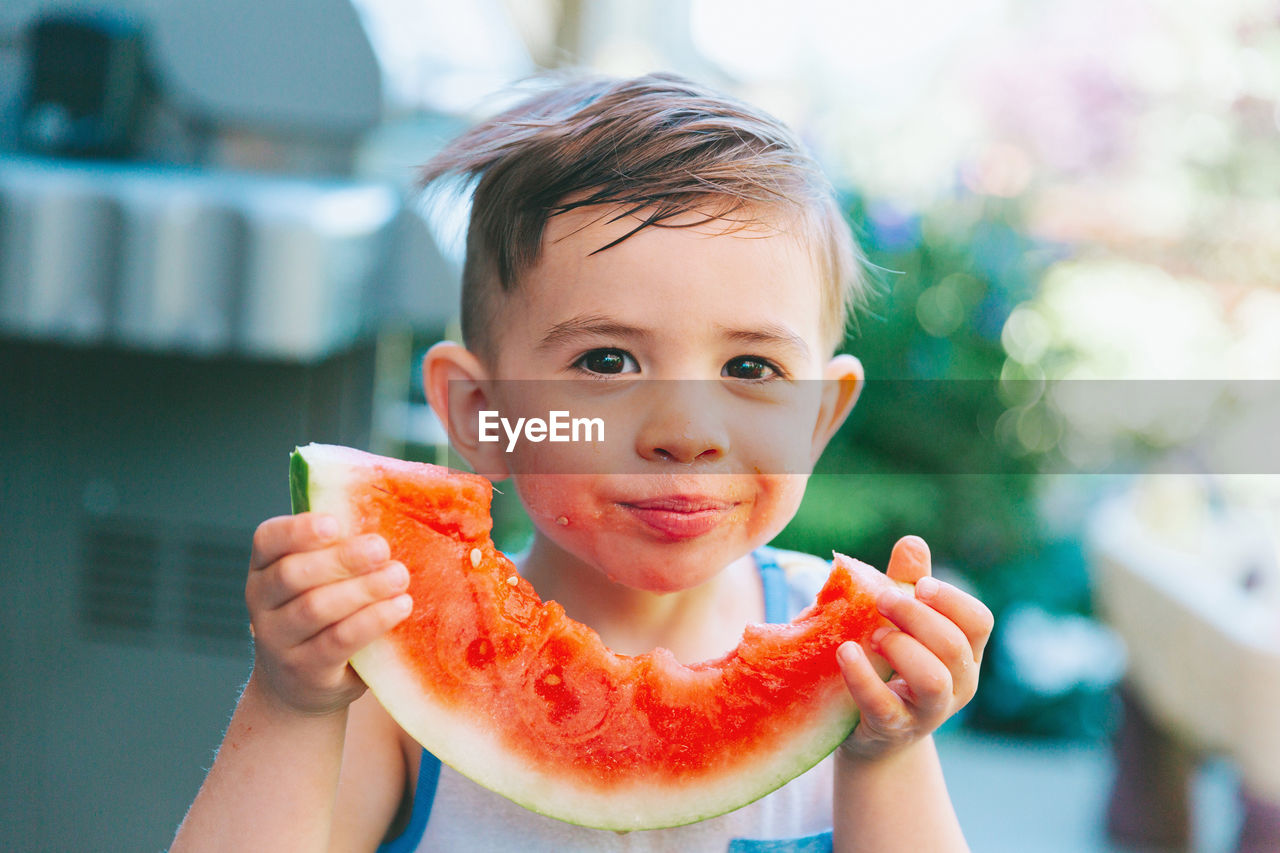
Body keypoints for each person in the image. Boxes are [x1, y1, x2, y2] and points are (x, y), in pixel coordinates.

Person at [172, 72, 994, 852]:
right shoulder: (389, 671)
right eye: (608, 361)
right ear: (481, 413)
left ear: (819, 416)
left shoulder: (851, 666)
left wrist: (888, 753)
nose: (685, 432)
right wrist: (293, 703)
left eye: (751, 368)